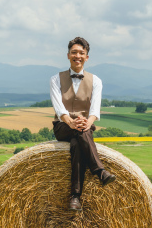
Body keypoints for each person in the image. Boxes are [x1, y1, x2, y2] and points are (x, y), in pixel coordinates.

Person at [50, 37, 116, 211]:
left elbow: (94, 110)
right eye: (74, 52)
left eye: (81, 53)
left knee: (77, 145)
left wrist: (88, 122)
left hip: (85, 125)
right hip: (63, 125)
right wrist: (71, 122)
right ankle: (99, 171)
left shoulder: (96, 81)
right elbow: (59, 108)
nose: (77, 56)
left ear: (87, 57)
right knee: (79, 134)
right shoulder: (56, 79)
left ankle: (75, 197)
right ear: (68, 55)